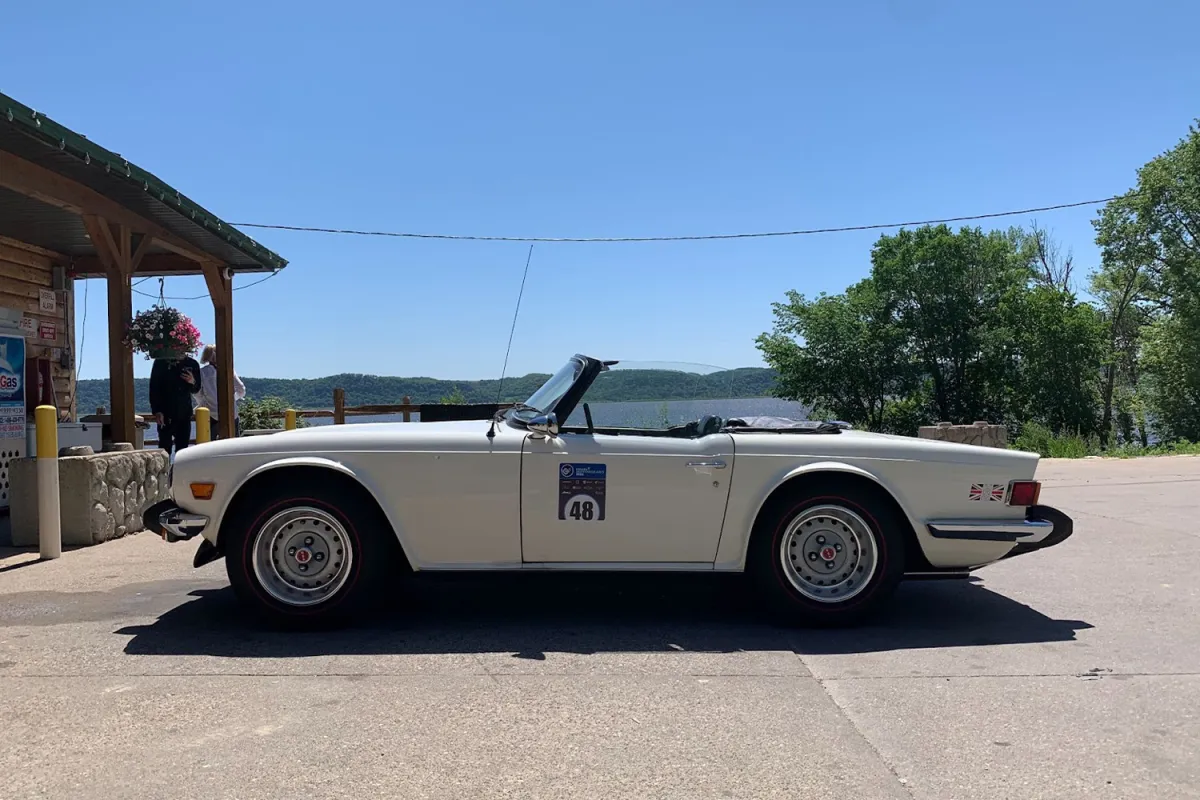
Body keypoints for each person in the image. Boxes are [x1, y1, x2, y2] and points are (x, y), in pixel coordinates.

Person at [149, 351, 202, 455]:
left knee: (183, 450)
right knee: (164, 449)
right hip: (165, 413)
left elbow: (196, 389)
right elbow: (154, 388)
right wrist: (157, 410)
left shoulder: (192, 363)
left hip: (184, 413)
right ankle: (164, 471)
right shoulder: (161, 362)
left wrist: (192, 381)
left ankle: (179, 471)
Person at [195, 343, 246, 439]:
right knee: (233, 444)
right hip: (231, 413)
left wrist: (203, 404)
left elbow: (198, 393)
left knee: (210, 446)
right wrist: (231, 399)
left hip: (210, 414)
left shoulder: (202, 373)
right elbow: (241, 389)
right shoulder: (229, 371)